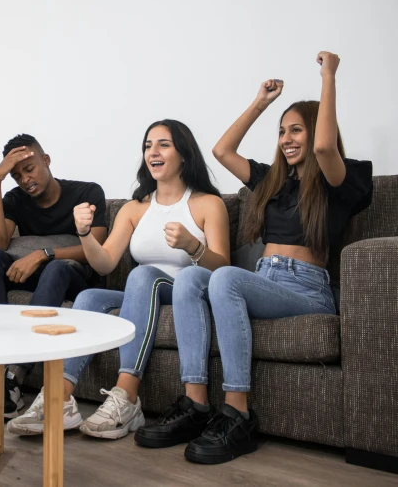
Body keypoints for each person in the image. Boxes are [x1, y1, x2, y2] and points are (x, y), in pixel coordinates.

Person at [147, 51, 372, 465]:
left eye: (296, 130)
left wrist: (329, 75)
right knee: (192, 279)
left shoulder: (346, 179)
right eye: (282, 131)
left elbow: (324, 146)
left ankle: (238, 412)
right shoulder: (273, 181)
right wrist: (260, 103)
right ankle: (196, 402)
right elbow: (221, 150)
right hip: (266, 281)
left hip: (306, 290)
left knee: (226, 277)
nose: (287, 139)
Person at [6, 120, 230, 439]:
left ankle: (127, 398)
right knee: (89, 299)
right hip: (145, 291)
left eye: (163, 144)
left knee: (142, 276)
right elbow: (105, 262)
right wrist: (84, 234)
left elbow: (223, 267)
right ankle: (59, 398)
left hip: (190, 290)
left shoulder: (209, 203)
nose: (153, 151)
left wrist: (193, 246)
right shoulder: (134, 208)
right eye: (148, 145)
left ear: (184, 153)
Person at [0, 133, 107, 419]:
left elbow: (97, 249)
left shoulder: (87, 192)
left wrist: (45, 252)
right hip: (33, 278)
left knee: (55, 268)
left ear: (46, 160)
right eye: (16, 176)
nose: (25, 179)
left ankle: (13, 376)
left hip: (73, 280)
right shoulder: (15, 199)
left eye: (29, 169)